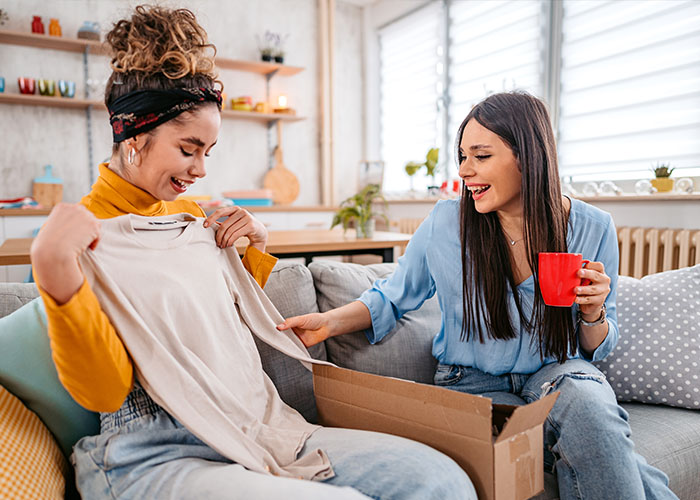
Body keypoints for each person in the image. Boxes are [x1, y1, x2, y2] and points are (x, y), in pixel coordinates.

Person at [29, 6, 477, 500]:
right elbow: (106, 391)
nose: (200, 168)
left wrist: (255, 250)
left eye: (209, 151)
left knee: (442, 481)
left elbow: (215, 329)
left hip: (253, 423)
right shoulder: (85, 236)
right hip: (156, 449)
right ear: (134, 135)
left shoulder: (190, 214)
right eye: (188, 148)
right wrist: (57, 278)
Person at [280, 92, 680, 500]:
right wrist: (326, 323)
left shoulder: (593, 226)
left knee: (593, 413)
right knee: (599, 457)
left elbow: (598, 347)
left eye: (481, 156)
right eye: (462, 156)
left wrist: (593, 313)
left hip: (557, 371)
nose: (465, 171)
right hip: (470, 384)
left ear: (528, 155)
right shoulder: (446, 223)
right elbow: (391, 296)